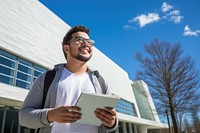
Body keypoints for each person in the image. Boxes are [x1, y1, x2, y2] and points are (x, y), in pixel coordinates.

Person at [19, 25, 118, 133]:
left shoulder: (101, 82)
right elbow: (23, 117)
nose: (86, 44)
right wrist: (50, 115)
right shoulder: (47, 78)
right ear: (66, 48)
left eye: (89, 41)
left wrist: (112, 123)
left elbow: (110, 121)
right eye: (79, 40)